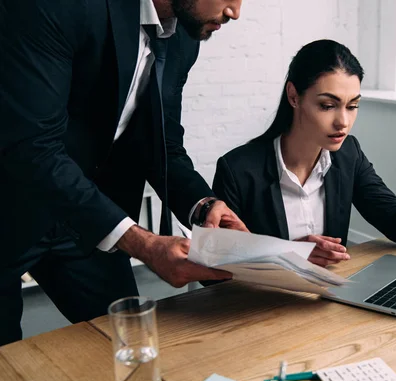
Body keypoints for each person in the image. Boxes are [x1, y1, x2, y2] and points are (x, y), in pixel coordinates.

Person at [0, 0, 247, 346]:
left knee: (134, 344)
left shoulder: (183, 37)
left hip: (87, 217)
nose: (235, 10)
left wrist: (204, 205)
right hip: (10, 203)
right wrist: (143, 243)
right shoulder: (58, 6)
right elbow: (33, 148)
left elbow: (162, 143)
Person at [213, 39, 396, 267]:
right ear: (294, 96)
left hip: (327, 305)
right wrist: (288, 254)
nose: (343, 121)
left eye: (352, 105)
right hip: (259, 313)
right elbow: (217, 269)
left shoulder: (347, 156)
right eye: (327, 105)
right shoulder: (238, 170)